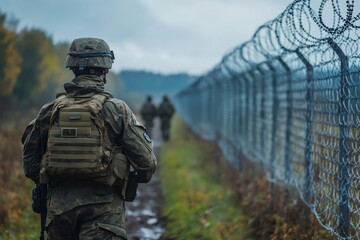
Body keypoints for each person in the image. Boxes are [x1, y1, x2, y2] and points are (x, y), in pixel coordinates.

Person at [22, 37, 157, 240]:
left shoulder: (49, 110)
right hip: (104, 213)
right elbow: (146, 164)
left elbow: (30, 164)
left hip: (59, 212)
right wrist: (124, 176)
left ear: (73, 68)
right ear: (105, 71)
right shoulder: (117, 110)